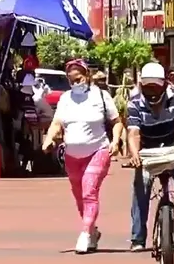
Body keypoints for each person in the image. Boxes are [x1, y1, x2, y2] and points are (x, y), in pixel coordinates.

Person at [42, 59, 122, 253]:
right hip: (71, 155)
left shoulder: (101, 96)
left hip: (98, 150)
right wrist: (49, 139)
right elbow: (57, 123)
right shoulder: (65, 99)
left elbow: (117, 122)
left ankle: (85, 233)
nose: (75, 83)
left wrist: (116, 141)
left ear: (87, 76)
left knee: (89, 191)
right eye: (71, 80)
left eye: (78, 79)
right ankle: (93, 230)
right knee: (80, 197)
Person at [126, 62, 174, 258]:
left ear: (164, 84)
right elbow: (133, 133)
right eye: (147, 86)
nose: (151, 91)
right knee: (141, 186)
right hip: (149, 153)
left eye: (155, 86)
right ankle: (138, 237)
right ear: (141, 85)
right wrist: (134, 154)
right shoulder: (134, 102)